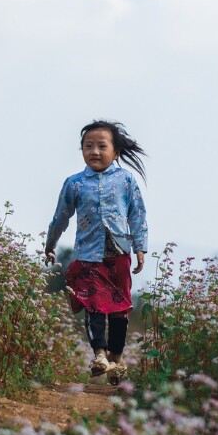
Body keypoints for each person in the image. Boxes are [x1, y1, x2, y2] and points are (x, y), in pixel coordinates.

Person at [44, 120, 148, 384]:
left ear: (116, 152)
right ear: (81, 150)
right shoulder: (75, 184)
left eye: (102, 146)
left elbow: (137, 215)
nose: (95, 151)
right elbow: (60, 217)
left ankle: (116, 357)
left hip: (118, 255)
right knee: (93, 307)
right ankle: (99, 355)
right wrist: (51, 244)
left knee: (119, 310)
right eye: (88, 146)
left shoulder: (126, 180)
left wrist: (140, 248)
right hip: (87, 257)